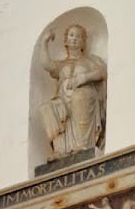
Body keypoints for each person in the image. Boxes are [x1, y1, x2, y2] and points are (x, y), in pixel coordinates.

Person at [39, 23, 107, 160]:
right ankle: (60, 150)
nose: (74, 38)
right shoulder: (61, 64)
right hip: (63, 100)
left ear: (83, 42)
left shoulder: (90, 61)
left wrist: (83, 78)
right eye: (71, 35)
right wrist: (44, 42)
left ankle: (83, 146)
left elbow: (101, 73)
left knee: (80, 96)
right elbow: (46, 64)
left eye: (78, 36)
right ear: (66, 41)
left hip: (83, 98)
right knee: (48, 107)